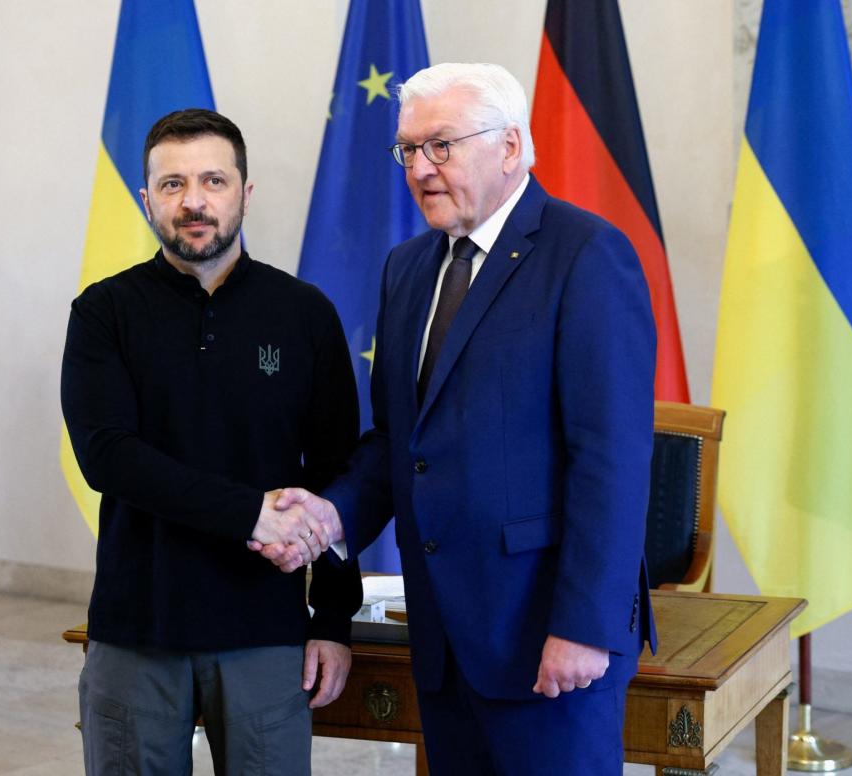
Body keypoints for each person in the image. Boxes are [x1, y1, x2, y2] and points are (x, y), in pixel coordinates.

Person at [263, 62, 657, 774]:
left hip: (547, 636)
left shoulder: (587, 255)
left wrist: (583, 627)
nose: (418, 169)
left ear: (509, 146)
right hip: (445, 638)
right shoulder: (409, 268)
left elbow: (610, 462)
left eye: (440, 146)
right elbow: (397, 442)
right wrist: (329, 517)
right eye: (407, 150)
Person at [61, 108, 362, 775]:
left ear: (244, 193)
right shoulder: (103, 313)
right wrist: (251, 513)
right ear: (146, 199)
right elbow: (108, 455)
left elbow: (337, 471)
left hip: (264, 632)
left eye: (212, 181)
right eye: (171, 185)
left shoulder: (304, 314)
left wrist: (331, 621)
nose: (193, 201)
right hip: (137, 627)